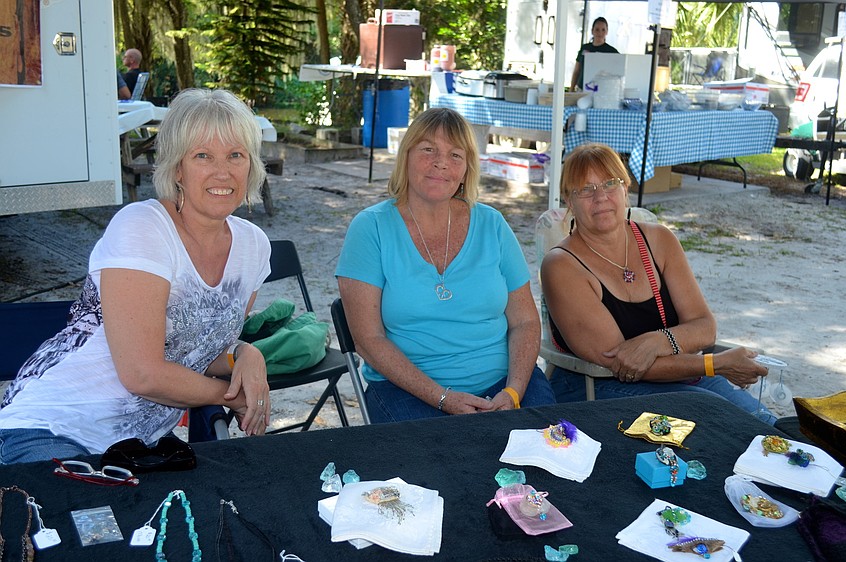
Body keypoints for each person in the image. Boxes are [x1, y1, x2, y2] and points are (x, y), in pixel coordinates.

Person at [0, 89, 273, 464]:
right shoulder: (143, 228)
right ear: (177, 168)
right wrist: (230, 395)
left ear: (251, 165)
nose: (222, 172)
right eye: (203, 156)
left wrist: (245, 353)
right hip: (51, 426)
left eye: (235, 156)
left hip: (133, 449)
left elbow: (196, 351)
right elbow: (142, 374)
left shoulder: (254, 247)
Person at [336, 108, 555, 423]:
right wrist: (441, 398)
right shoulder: (370, 228)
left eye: (455, 154)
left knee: (547, 454)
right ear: (406, 156)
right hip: (409, 390)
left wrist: (514, 391)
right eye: (428, 150)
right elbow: (369, 341)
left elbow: (524, 322)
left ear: (467, 168)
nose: (441, 163)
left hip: (506, 386)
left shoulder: (492, 223)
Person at [540, 143, 777, 425]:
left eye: (609, 184)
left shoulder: (659, 240)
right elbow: (621, 362)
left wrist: (657, 341)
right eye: (585, 190)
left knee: (767, 426)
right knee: (724, 425)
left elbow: (704, 326)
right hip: (596, 387)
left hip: (684, 377)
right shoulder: (561, 265)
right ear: (569, 200)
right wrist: (716, 363)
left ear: (625, 188)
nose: (600, 197)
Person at [570, 17, 619, 92]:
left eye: (603, 30)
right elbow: (577, 70)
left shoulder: (612, 51)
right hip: (582, 89)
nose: (600, 33)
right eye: (597, 29)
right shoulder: (585, 48)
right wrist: (571, 89)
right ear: (592, 31)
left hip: (602, 91)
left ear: (607, 32)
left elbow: (617, 73)